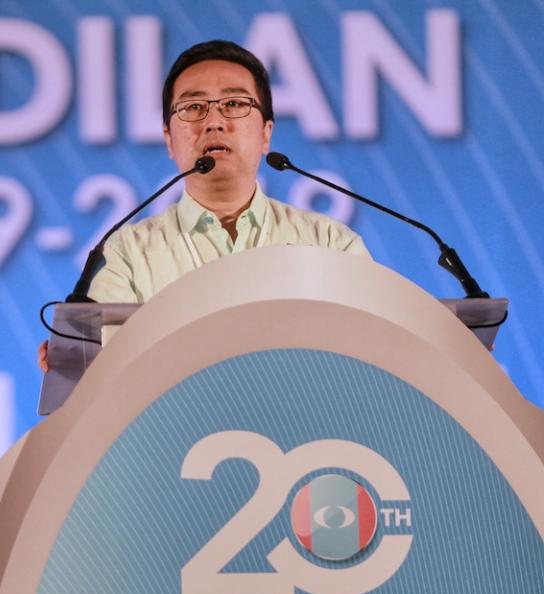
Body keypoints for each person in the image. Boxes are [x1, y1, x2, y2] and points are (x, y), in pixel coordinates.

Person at [39, 40, 368, 370]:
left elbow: (373, 357)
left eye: (235, 103)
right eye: (193, 107)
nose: (214, 121)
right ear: (169, 138)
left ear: (266, 134)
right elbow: (87, 380)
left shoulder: (331, 244)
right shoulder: (126, 253)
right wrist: (70, 360)